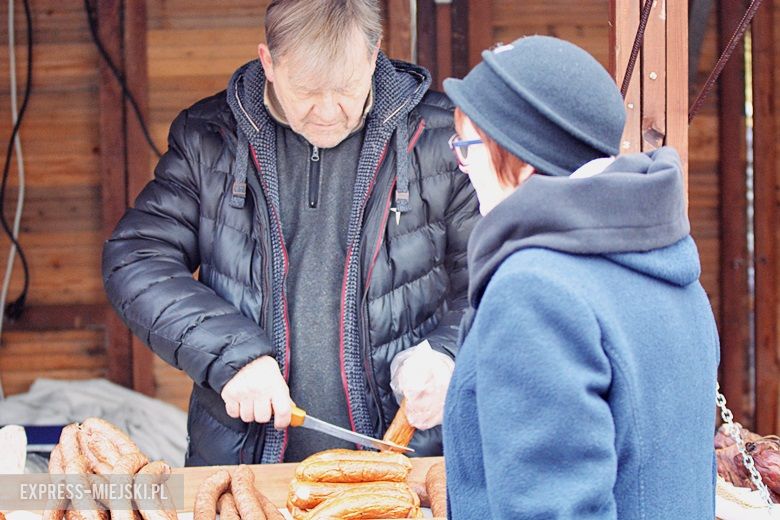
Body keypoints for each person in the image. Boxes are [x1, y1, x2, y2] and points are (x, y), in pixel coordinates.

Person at [102, 0, 479, 465]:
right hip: (242, 472)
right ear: (269, 63)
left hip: (411, 464)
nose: (327, 112)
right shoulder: (207, 138)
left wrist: (448, 354)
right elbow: (136, 258)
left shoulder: (442, 136)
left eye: (346, 90)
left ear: (374, 53)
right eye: (307, 91)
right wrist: (230, 355)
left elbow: (494, 278)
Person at [441, 36, 719, 518]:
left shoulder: (534, 291)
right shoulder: (665, 258)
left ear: (523, 157)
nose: (461, 167)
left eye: (468, 147)